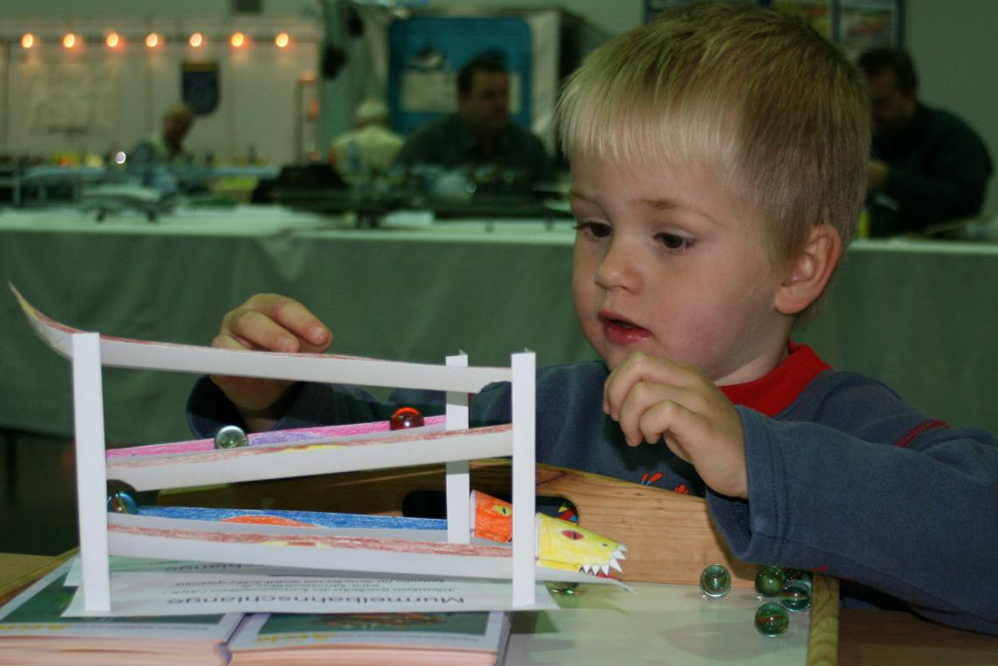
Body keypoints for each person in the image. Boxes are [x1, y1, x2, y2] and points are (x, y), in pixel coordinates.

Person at [188, 3, 998, 635]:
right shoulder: (542, 412)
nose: (612, 269)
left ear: (801, 266)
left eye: (671, 238)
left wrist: (758, 461)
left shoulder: (852, 429)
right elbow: (375, 467)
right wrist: (276, 400)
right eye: (594, 226)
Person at [857, 48, 993, 237]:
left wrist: (889, 180)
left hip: (938, 259)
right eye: (865, 103)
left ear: (910, 95)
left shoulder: (953, 138)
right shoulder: (866, 138)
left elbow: (963, 206)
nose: (872, 113)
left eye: (881, 103)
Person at [393, 54, 555, 188]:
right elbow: (398, 192)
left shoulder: (529, 148)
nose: (500, 104)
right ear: (462, 100)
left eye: (504, 94)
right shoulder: (427, 144)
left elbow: (549, 201)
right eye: (488, 96)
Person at [329, 98, 404, 183]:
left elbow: (331, 171)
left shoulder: (340, 143)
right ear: (386, 120)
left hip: (348, 192)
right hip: (388, 193)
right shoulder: (399, 143)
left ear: (359, 121)